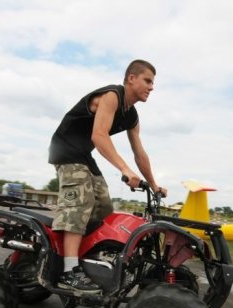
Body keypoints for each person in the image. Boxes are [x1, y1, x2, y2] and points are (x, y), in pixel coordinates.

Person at [48, 59, 166, 293]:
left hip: (83, 155)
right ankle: (69, 272)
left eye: (153, 83)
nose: (151, 87)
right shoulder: (112, 95)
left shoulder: (132, 116)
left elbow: (139, 153)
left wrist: (153, 184)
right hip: (65, 149)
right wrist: (124, 169)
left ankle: (87, 259)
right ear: (131, 78)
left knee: (104, 207)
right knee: (81, 201)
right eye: (147, 80)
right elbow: (99, 136)